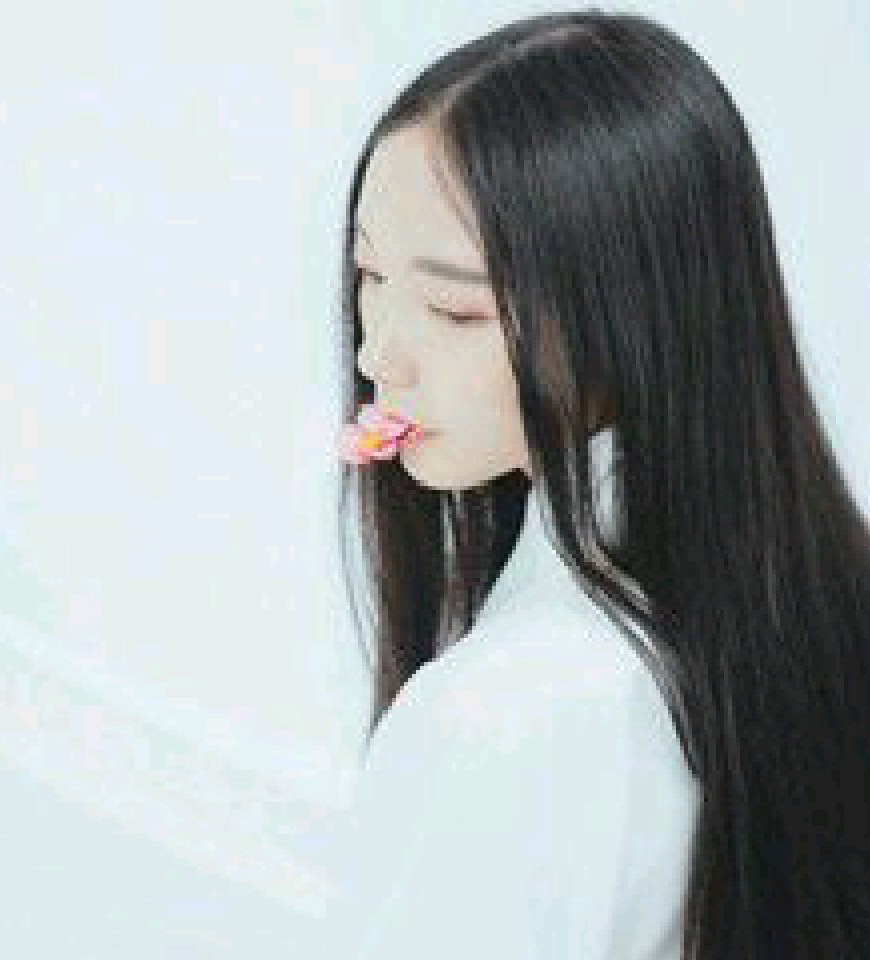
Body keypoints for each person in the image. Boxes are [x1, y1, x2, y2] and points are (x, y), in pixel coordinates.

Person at [328, 10, 870, 959]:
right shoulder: (808, 597)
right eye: (371, 273)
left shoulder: (507, 713)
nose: (381, 354)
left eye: (455, 310)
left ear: (628, 315)